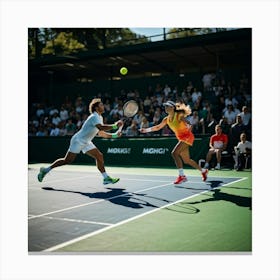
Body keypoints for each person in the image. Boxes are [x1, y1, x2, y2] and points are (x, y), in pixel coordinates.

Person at [37, 98, 123, 185]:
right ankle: (45, 170)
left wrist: (115, 135)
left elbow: (101, 133)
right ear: (96, 108)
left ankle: (106, 178)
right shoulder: (94, 116)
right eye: (101, 105)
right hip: (78, 140)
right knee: (67, 160)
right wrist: (115, 126)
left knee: (99, 156)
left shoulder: (99, 117)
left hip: (87, 142)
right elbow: (101, 127)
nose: (103, 106)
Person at [139, 100, 208, 184]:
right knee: (187, 160)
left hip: (187, 137)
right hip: (181, 138)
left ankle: (182, 176)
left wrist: (189, 127)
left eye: (167, 106)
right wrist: (146, 130)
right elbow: (158, 127)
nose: (165, 108)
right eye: (165, 106)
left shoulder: (179, 115)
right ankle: (203, 171)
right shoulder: (166, 119)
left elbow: (189, 123)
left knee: (174, 153)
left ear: (172, 108)